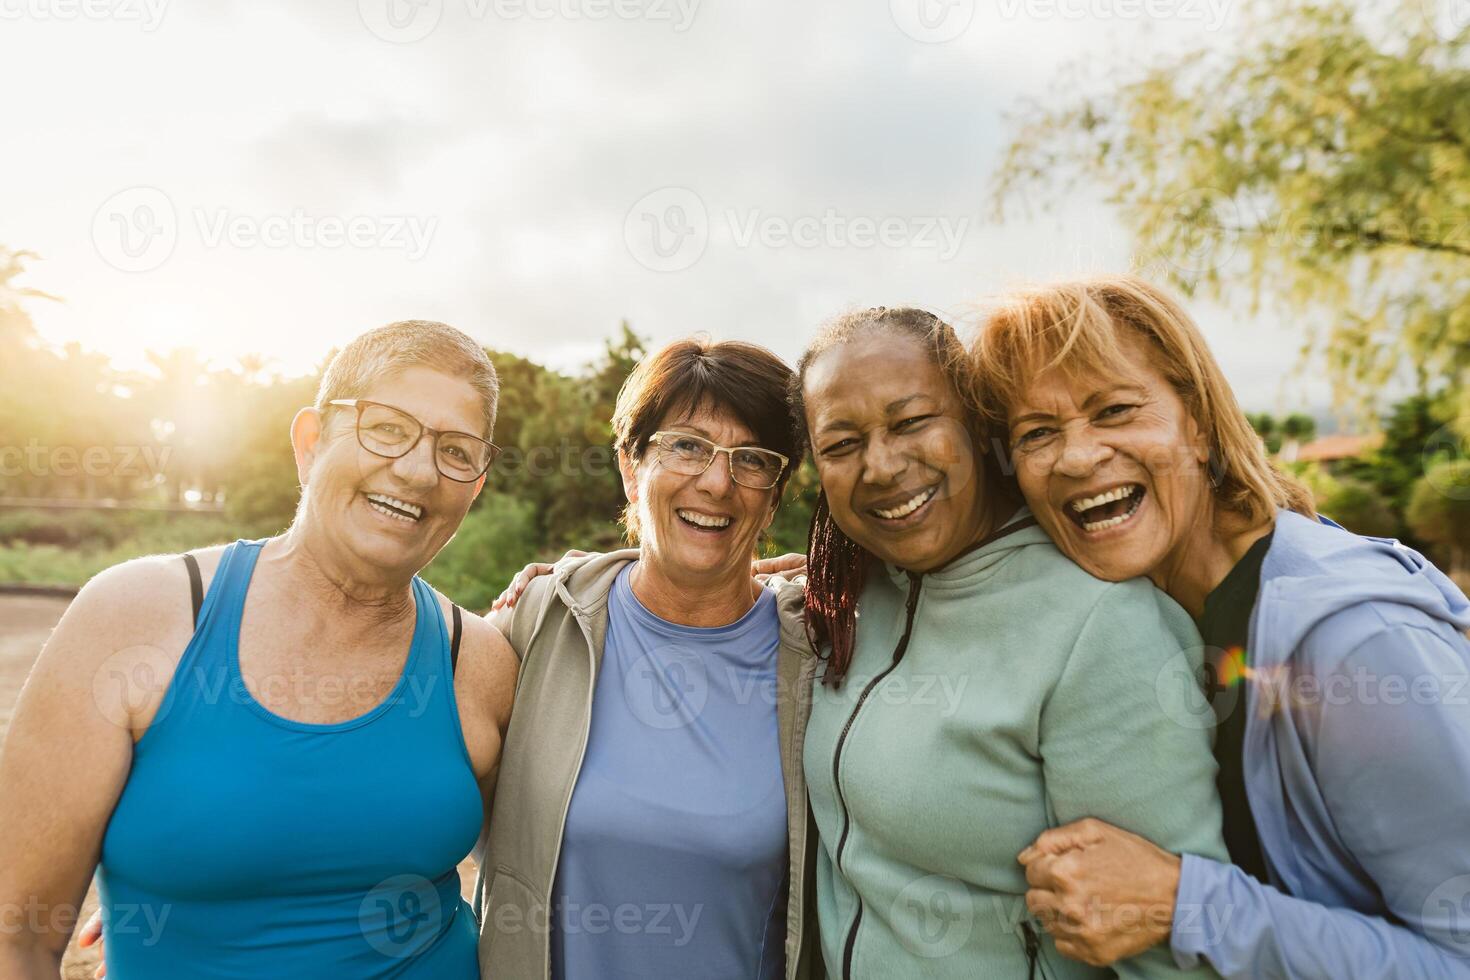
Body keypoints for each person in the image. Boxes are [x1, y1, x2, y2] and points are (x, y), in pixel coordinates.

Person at [972, 275, 1470, 977]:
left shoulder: (1356, 647)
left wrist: (1184, 904)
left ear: (1198, 423)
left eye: (1114, 410)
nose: (1077, 457)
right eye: (1037, 433)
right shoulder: (1150, 604)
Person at [0, 320, 518, 979]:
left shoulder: (480, 662)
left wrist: (593, 574)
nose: (418, 471)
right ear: (310, 442)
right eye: (387, 428)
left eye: (456, 450)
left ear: (476, 484)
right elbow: (16, 940)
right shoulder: (134, 618)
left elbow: (556, 867)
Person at [794, 306, 1226, 978]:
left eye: (911, 422)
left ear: (977, 428)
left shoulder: (1101, 625)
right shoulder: (852, 596)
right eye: (842, 444)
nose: (879, 465)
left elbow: (1175, 955)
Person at [474, 338, 823, 980]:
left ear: (775, 494)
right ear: (631, 469)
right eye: (686, 445)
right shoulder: (538, 623)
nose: (717, 482)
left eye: (752, 460)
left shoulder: (822, 654)